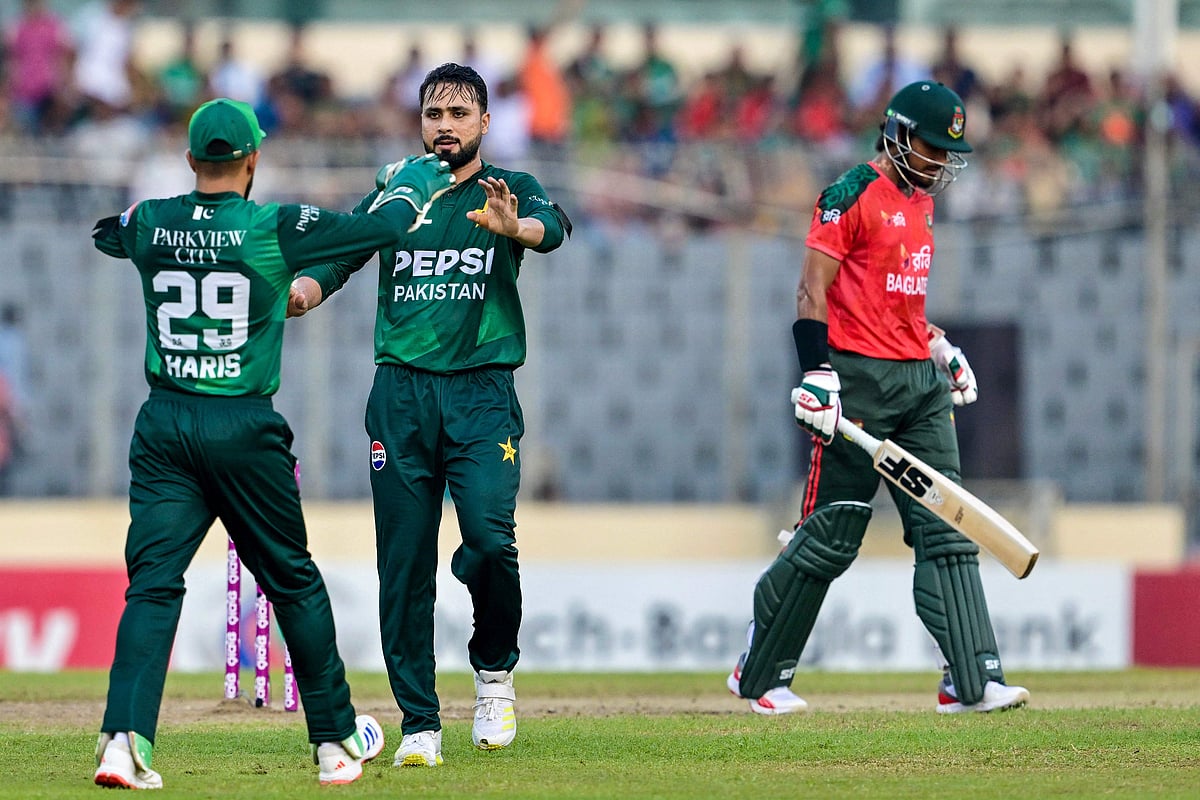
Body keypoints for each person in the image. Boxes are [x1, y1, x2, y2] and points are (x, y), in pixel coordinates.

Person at [89, 97, 454, 788]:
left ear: (193, 159)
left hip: (164, 425)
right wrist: (417, 180)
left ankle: (123, 742)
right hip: (242, 426)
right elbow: (385, 227)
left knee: (153, 588)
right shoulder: (273, 225)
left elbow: (112, 233)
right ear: (253, 159)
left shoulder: (153, 221)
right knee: (292, 580)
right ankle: (337, 741)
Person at [288, 62, 571, 768]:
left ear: (483, 122)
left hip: (480, 396)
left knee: (488, 541)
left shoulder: (510, 188)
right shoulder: (397, 187)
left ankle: (495, 673)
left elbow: (554, 227)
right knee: (404, 564)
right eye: (433, 113)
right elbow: (350, 250)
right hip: (402, 397)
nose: (444, 125)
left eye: (458, 113)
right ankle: (420, 720)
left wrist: (520, 230)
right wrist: (306, 290)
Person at [727, 81, 1030, 716]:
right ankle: (760, 672)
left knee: (947, 525)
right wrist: (818, 374)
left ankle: (970, 681)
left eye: (949, 152)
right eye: (932, 147)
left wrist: (941, 349)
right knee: (833, 533)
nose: (942, 162)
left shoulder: (921, 205)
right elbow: (812, 293)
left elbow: (899, 304)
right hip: (855, 382)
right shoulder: (847, 196)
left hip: (918, 387)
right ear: (897, 135)